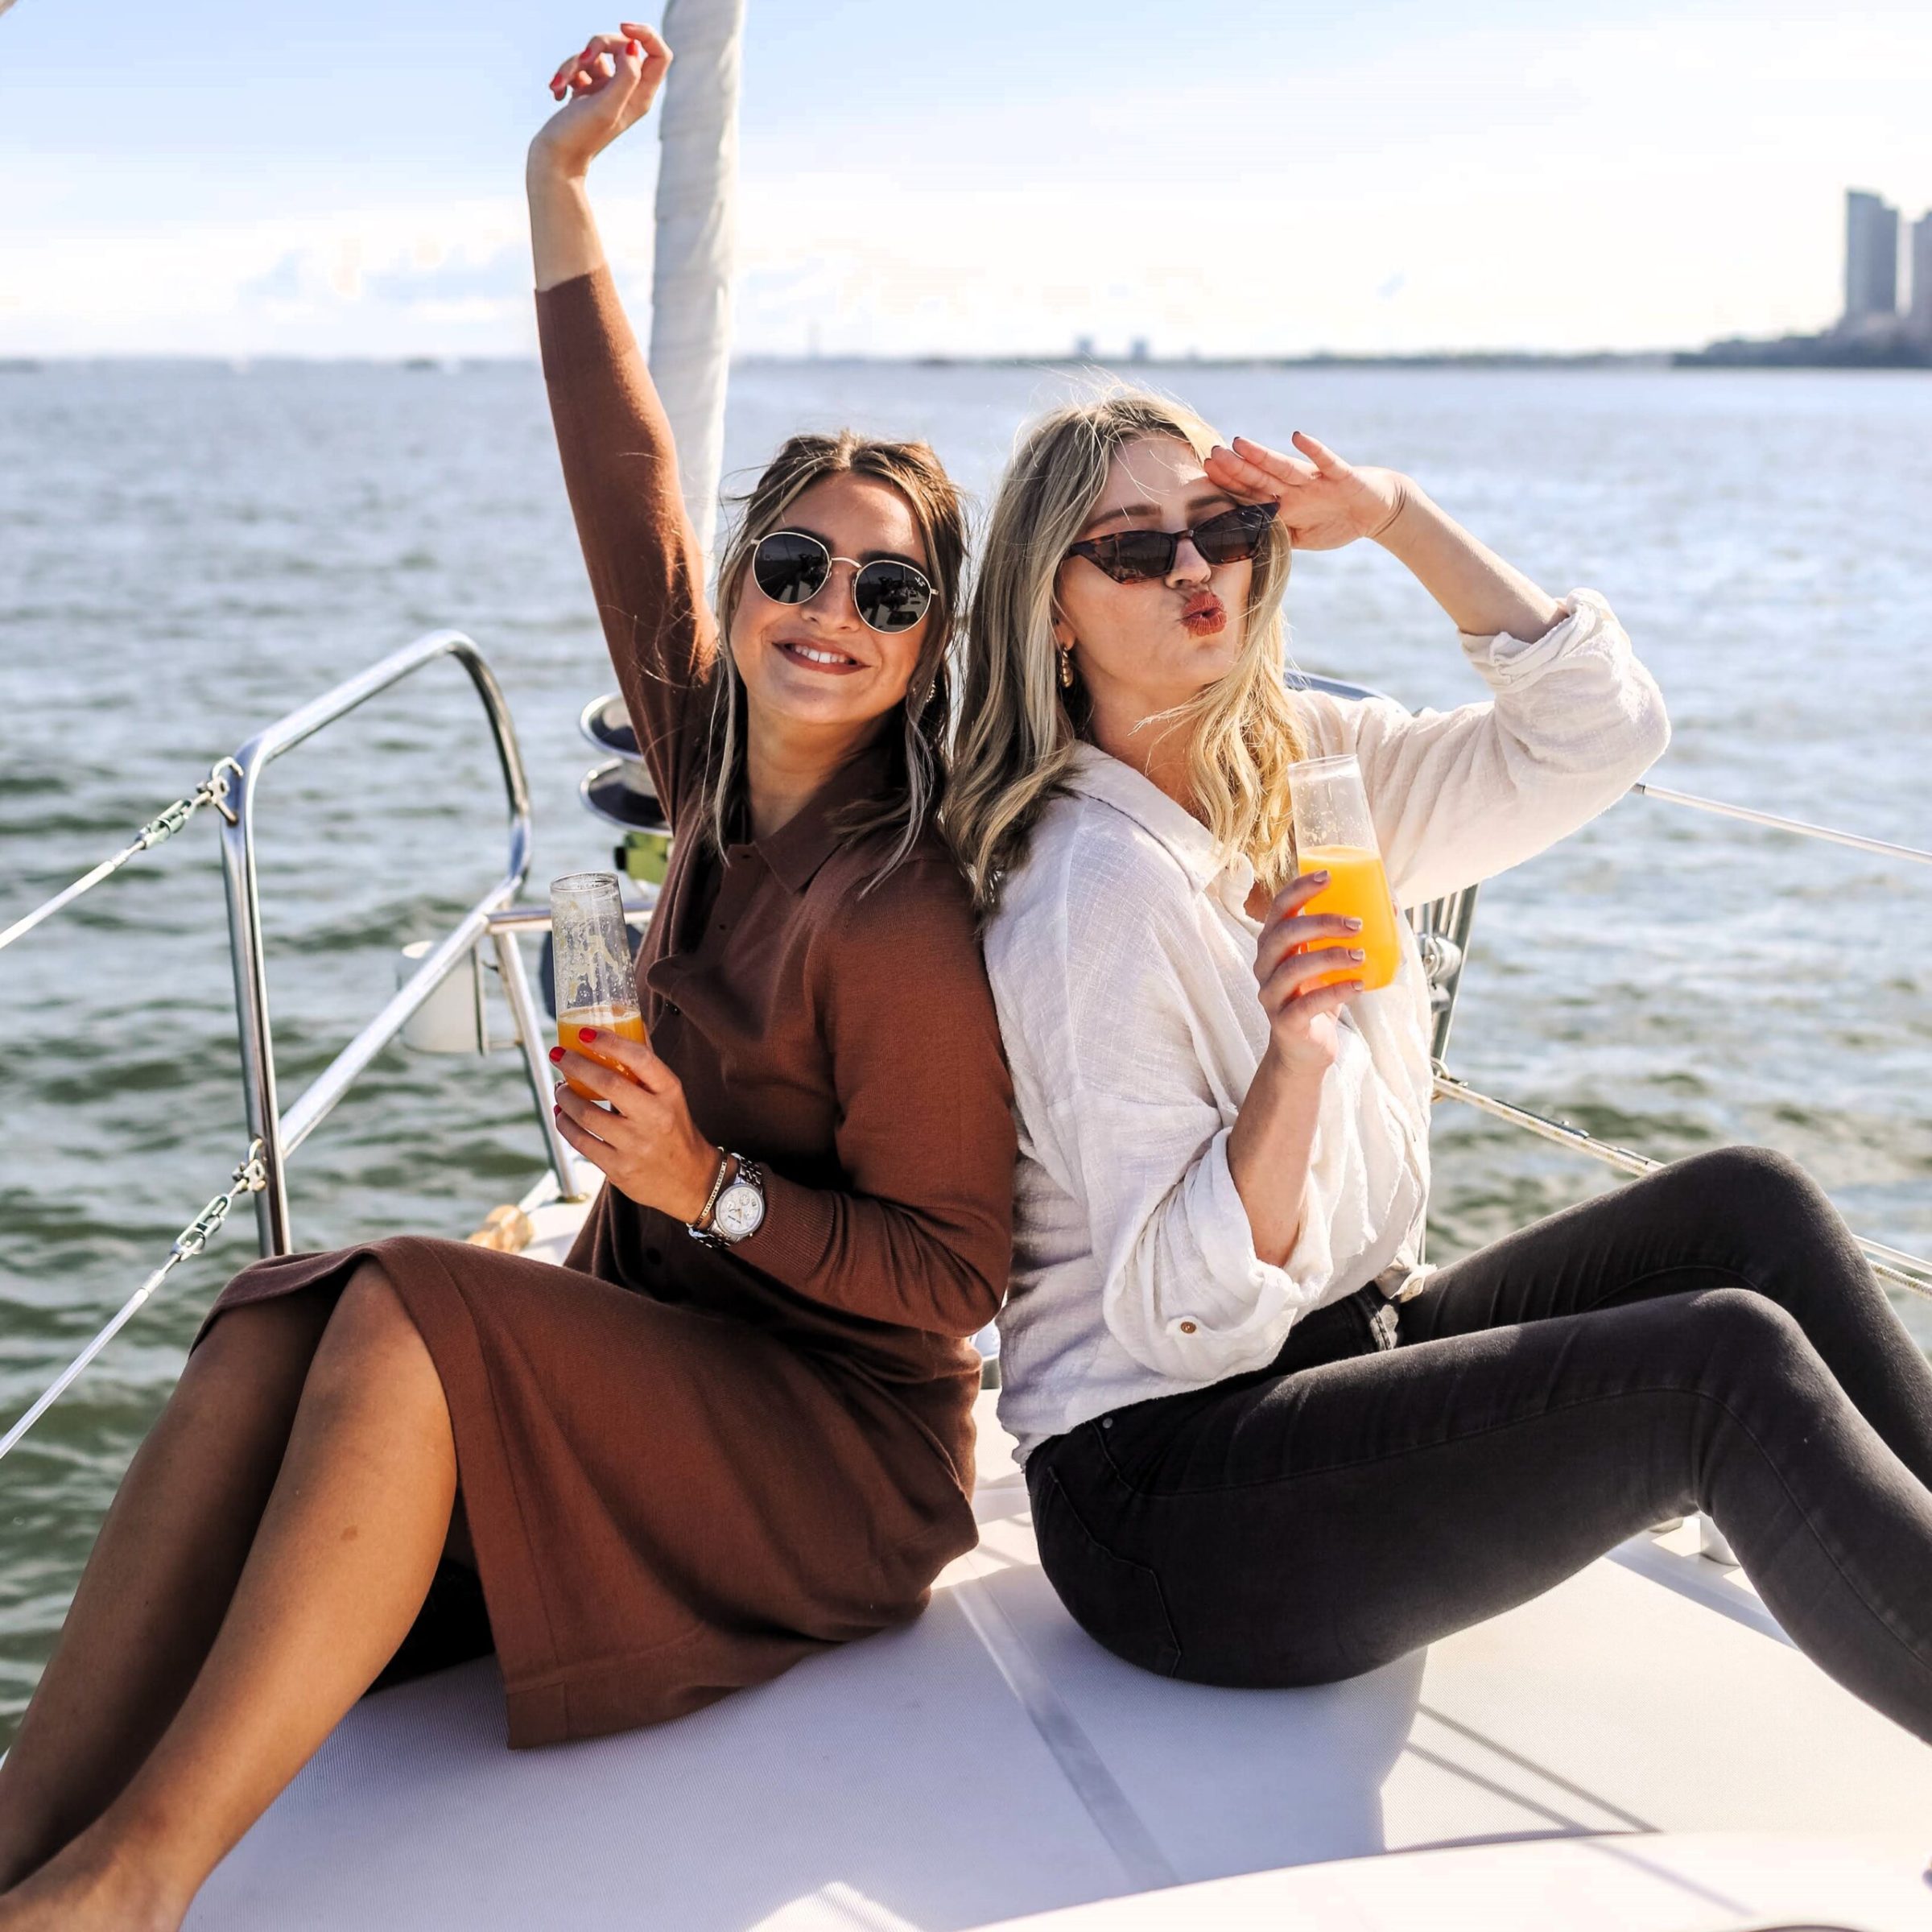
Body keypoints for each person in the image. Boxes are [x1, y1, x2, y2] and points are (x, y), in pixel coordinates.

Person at [0, 27, 1013, 1929]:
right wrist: (554, 190)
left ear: (927, 645)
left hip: (833, 1451)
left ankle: (130, 1890)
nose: (829, 613)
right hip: (672, 1344)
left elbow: (955, 1282)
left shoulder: (899, 916)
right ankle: (14, 1838)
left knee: (412, 1315)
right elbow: (621, 463)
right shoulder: (708, 760)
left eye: (888, 595)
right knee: (277, 1316)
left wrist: (698, 1183)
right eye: (799, 565)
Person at [947, 391, 1932, 1740]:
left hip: (1343, 1350)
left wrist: (1402, 519)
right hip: (1169, 1503)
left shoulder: (1303, 763)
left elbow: (1600, 734)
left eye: (1223, 527)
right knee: (1718, 1370)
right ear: (1051, 610)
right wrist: (1294, 1057)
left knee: (1751, 1208)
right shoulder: (1089, 896)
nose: (1192, 569)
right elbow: (1182, 1319)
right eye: (1131, 548)